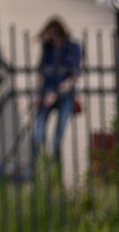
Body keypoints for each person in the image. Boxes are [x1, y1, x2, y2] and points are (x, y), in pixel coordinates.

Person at [35, 18, 84, 160]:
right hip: (47, 93)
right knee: (38, 134)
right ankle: (40, 166)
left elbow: (73, 77)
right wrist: (38, 95)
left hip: (65, 96)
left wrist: (55, 93)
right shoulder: (48, 48)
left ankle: (56, 171)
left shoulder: (73, 48)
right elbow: (41, 73)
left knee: (57, 138)